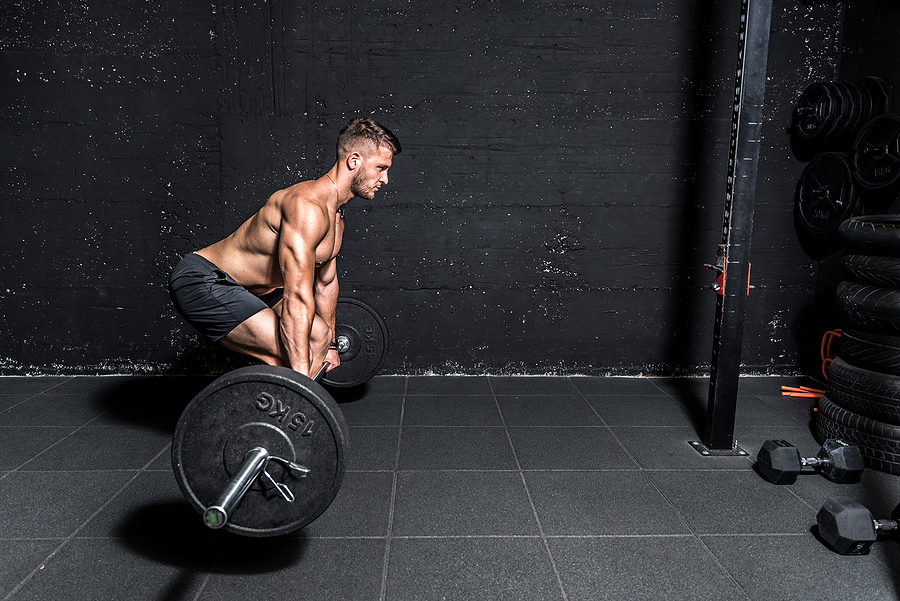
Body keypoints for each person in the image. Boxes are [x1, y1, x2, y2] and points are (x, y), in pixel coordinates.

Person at [169, 117, 401, 379]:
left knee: (319, 337)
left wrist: (331, 345)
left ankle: (288, 398)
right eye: (381, 168)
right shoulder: (307, 208)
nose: (385, 179)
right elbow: (297, 297)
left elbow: (325, 284)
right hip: (203, 280)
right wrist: (301, 384)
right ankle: (283, 402)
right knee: (295, 356)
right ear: (354, 160)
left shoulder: (336, 216)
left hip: (254, 290)